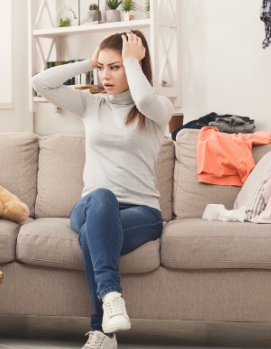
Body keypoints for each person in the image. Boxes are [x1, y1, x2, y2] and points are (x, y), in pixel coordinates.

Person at [31, 30, 173, 349]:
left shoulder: (155, 111)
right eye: (102, 67)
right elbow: (40, 82)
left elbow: (145, 99)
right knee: (101, 198)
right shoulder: (90, 104)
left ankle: (102, 333)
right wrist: (87, 61)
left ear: (135, 67)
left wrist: (133, 61)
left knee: (92, 236)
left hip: (142, 212)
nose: (104, 75)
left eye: (115, 67)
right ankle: (111, 297)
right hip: (91, 204)